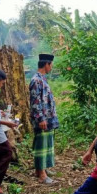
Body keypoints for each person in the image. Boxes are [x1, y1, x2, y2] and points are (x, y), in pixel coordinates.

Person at [29, 53, 59, 184]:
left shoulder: (43, 79)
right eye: (51, 65)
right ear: (46, 64)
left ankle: (42, 168)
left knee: (47, 144)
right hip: (42, 120)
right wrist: (41, 118)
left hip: (48, 118)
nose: (51, 67)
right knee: (41, 145)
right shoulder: (36, 80)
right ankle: (41, 174)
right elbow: (36, 102)